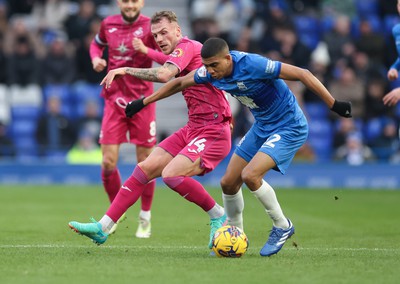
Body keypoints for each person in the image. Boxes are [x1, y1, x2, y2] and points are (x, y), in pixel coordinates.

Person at [121, 37, 352, 257]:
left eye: (214, 65)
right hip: (262, 126)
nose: (210, 71)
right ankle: (234, 233)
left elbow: (303, 73)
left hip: (289, 125)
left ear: (228, 59)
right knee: (228, 182)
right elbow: (180, 82)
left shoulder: (253, 64)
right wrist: (144, 102)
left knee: (250, 175)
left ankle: (282, 225)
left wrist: (334, 104)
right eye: (207, 66)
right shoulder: (210, 72)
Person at [68, 11, 232, 249]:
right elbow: (174, 85)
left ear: (178, 30)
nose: (160, 39)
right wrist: (144, 102)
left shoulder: (186, 47)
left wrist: (124, 69)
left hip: (214, 130)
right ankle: (103, 227)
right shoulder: (183, 57)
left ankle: (218, 214)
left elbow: (165, 75)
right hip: (194, 127)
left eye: (164, 32)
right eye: (155, 36)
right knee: (144, 169)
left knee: (171, 175)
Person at [84, 0, 170, 238]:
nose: (130, 5)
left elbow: (167, 60)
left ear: (141, 2)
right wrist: (95, 59)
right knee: (108, 162)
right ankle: (116, 211)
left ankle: (145, 215)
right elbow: (95, 45)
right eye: (125, 1)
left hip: (142, 102)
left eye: (134, 1)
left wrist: (145, 51)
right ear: (119, 3)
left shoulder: (150, 27)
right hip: (114, 101)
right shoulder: (107, 24)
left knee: (146, 162)